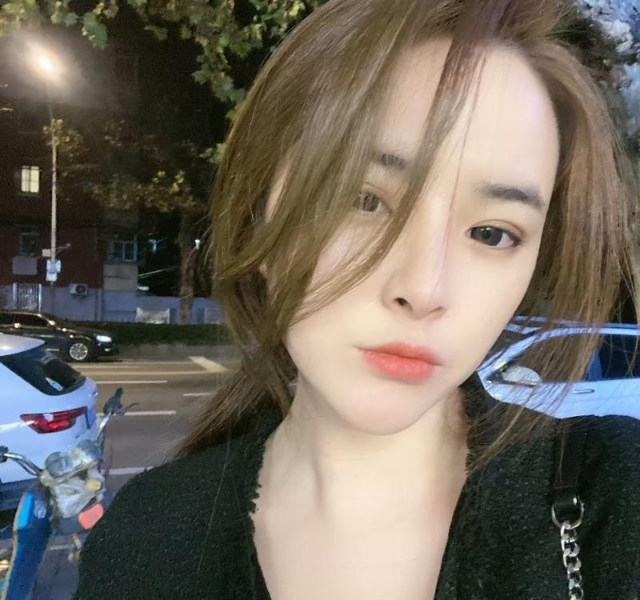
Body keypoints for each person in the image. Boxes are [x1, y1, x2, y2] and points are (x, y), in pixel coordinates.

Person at [73, 0, 640, 598]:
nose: (424, 289)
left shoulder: (612, 500)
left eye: (491, 233)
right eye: (364, 201)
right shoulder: (146, 543)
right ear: (259, 214)